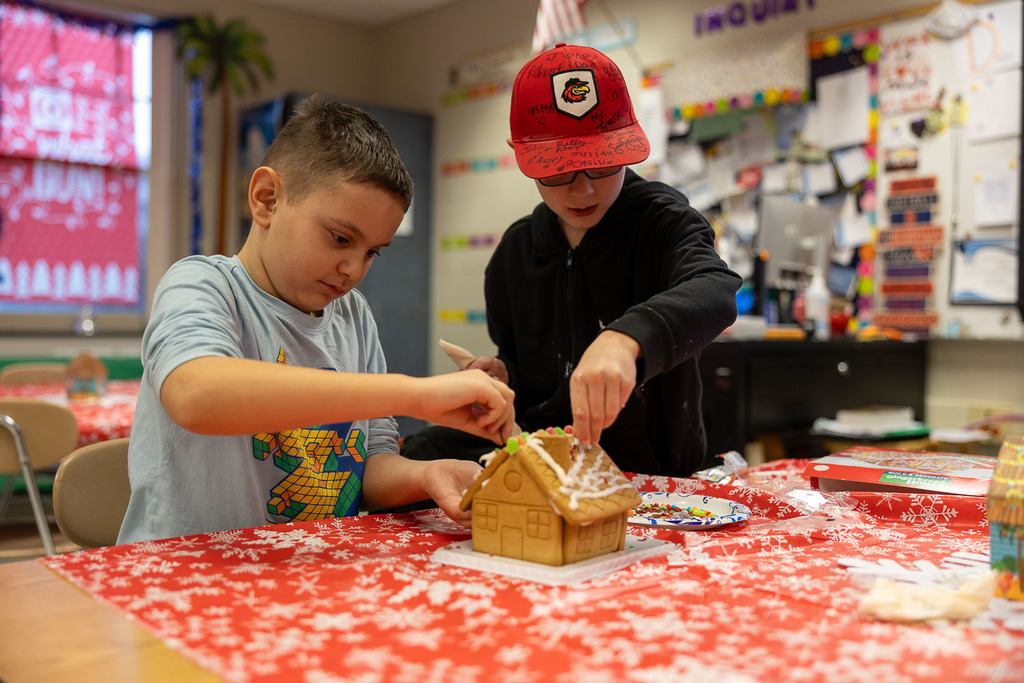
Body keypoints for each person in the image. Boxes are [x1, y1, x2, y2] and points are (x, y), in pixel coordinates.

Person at [118, 94, 515, 544]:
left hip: (304, 574)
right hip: (183, 576)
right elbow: (197, 394)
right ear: (266, 199)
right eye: (340, 237)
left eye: (371, 253)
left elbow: (367, 468)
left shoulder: (353, 316)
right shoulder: (202, 284)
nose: (354, 269)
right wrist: (416, 395)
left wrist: (426, 476)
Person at [403, 44, 740, 478]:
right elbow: (529, 378)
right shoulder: (516, 252)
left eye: (602, 165)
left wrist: (626, 339)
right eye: (558, 170)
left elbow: (716, 288)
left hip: (650, 473)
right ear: (519, 150)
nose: (582, 191)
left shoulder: (663, 223)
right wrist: (503, 377)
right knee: (417, 452)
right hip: (544, 464)